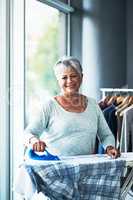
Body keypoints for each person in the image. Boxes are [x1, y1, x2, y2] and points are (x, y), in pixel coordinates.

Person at [24, 56, 120, 158]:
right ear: (58, 80)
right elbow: (28, 133)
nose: (69, 81)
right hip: (56, 167)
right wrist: (34, 141)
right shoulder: (49, 106)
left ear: (81, 77)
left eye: (73, 76)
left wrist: (109, 147)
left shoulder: (93, 105)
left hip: (85, 168)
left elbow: (106, 135)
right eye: (64, 77)